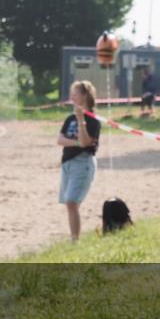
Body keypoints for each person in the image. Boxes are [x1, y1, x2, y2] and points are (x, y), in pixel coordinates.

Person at [56, 80, 101, 243]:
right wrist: (76, 143)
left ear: (85, 95)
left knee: (72, 202)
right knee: (70, 204)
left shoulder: (93, 120)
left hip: (83, 163)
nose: (72, 97)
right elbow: (60, 140)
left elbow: (86, 142)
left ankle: (75, 240)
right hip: (67, 162)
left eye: (75, 93)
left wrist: (81, 120)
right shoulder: (70, 118)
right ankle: (74, 237)